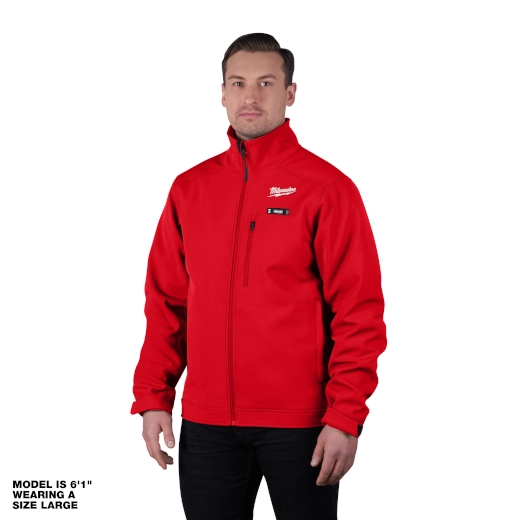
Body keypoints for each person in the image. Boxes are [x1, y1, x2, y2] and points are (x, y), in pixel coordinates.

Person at [130, 32, 387, 520]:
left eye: (266, 83)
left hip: (303, 425)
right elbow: (166, 304)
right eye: (238, 83)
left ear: (290, 93)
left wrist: (345, 415)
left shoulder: (327, 188)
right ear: (222, 93)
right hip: (207, 425)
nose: (250, 96)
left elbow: (359, 311)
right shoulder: (190, 188)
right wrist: (153, 396)